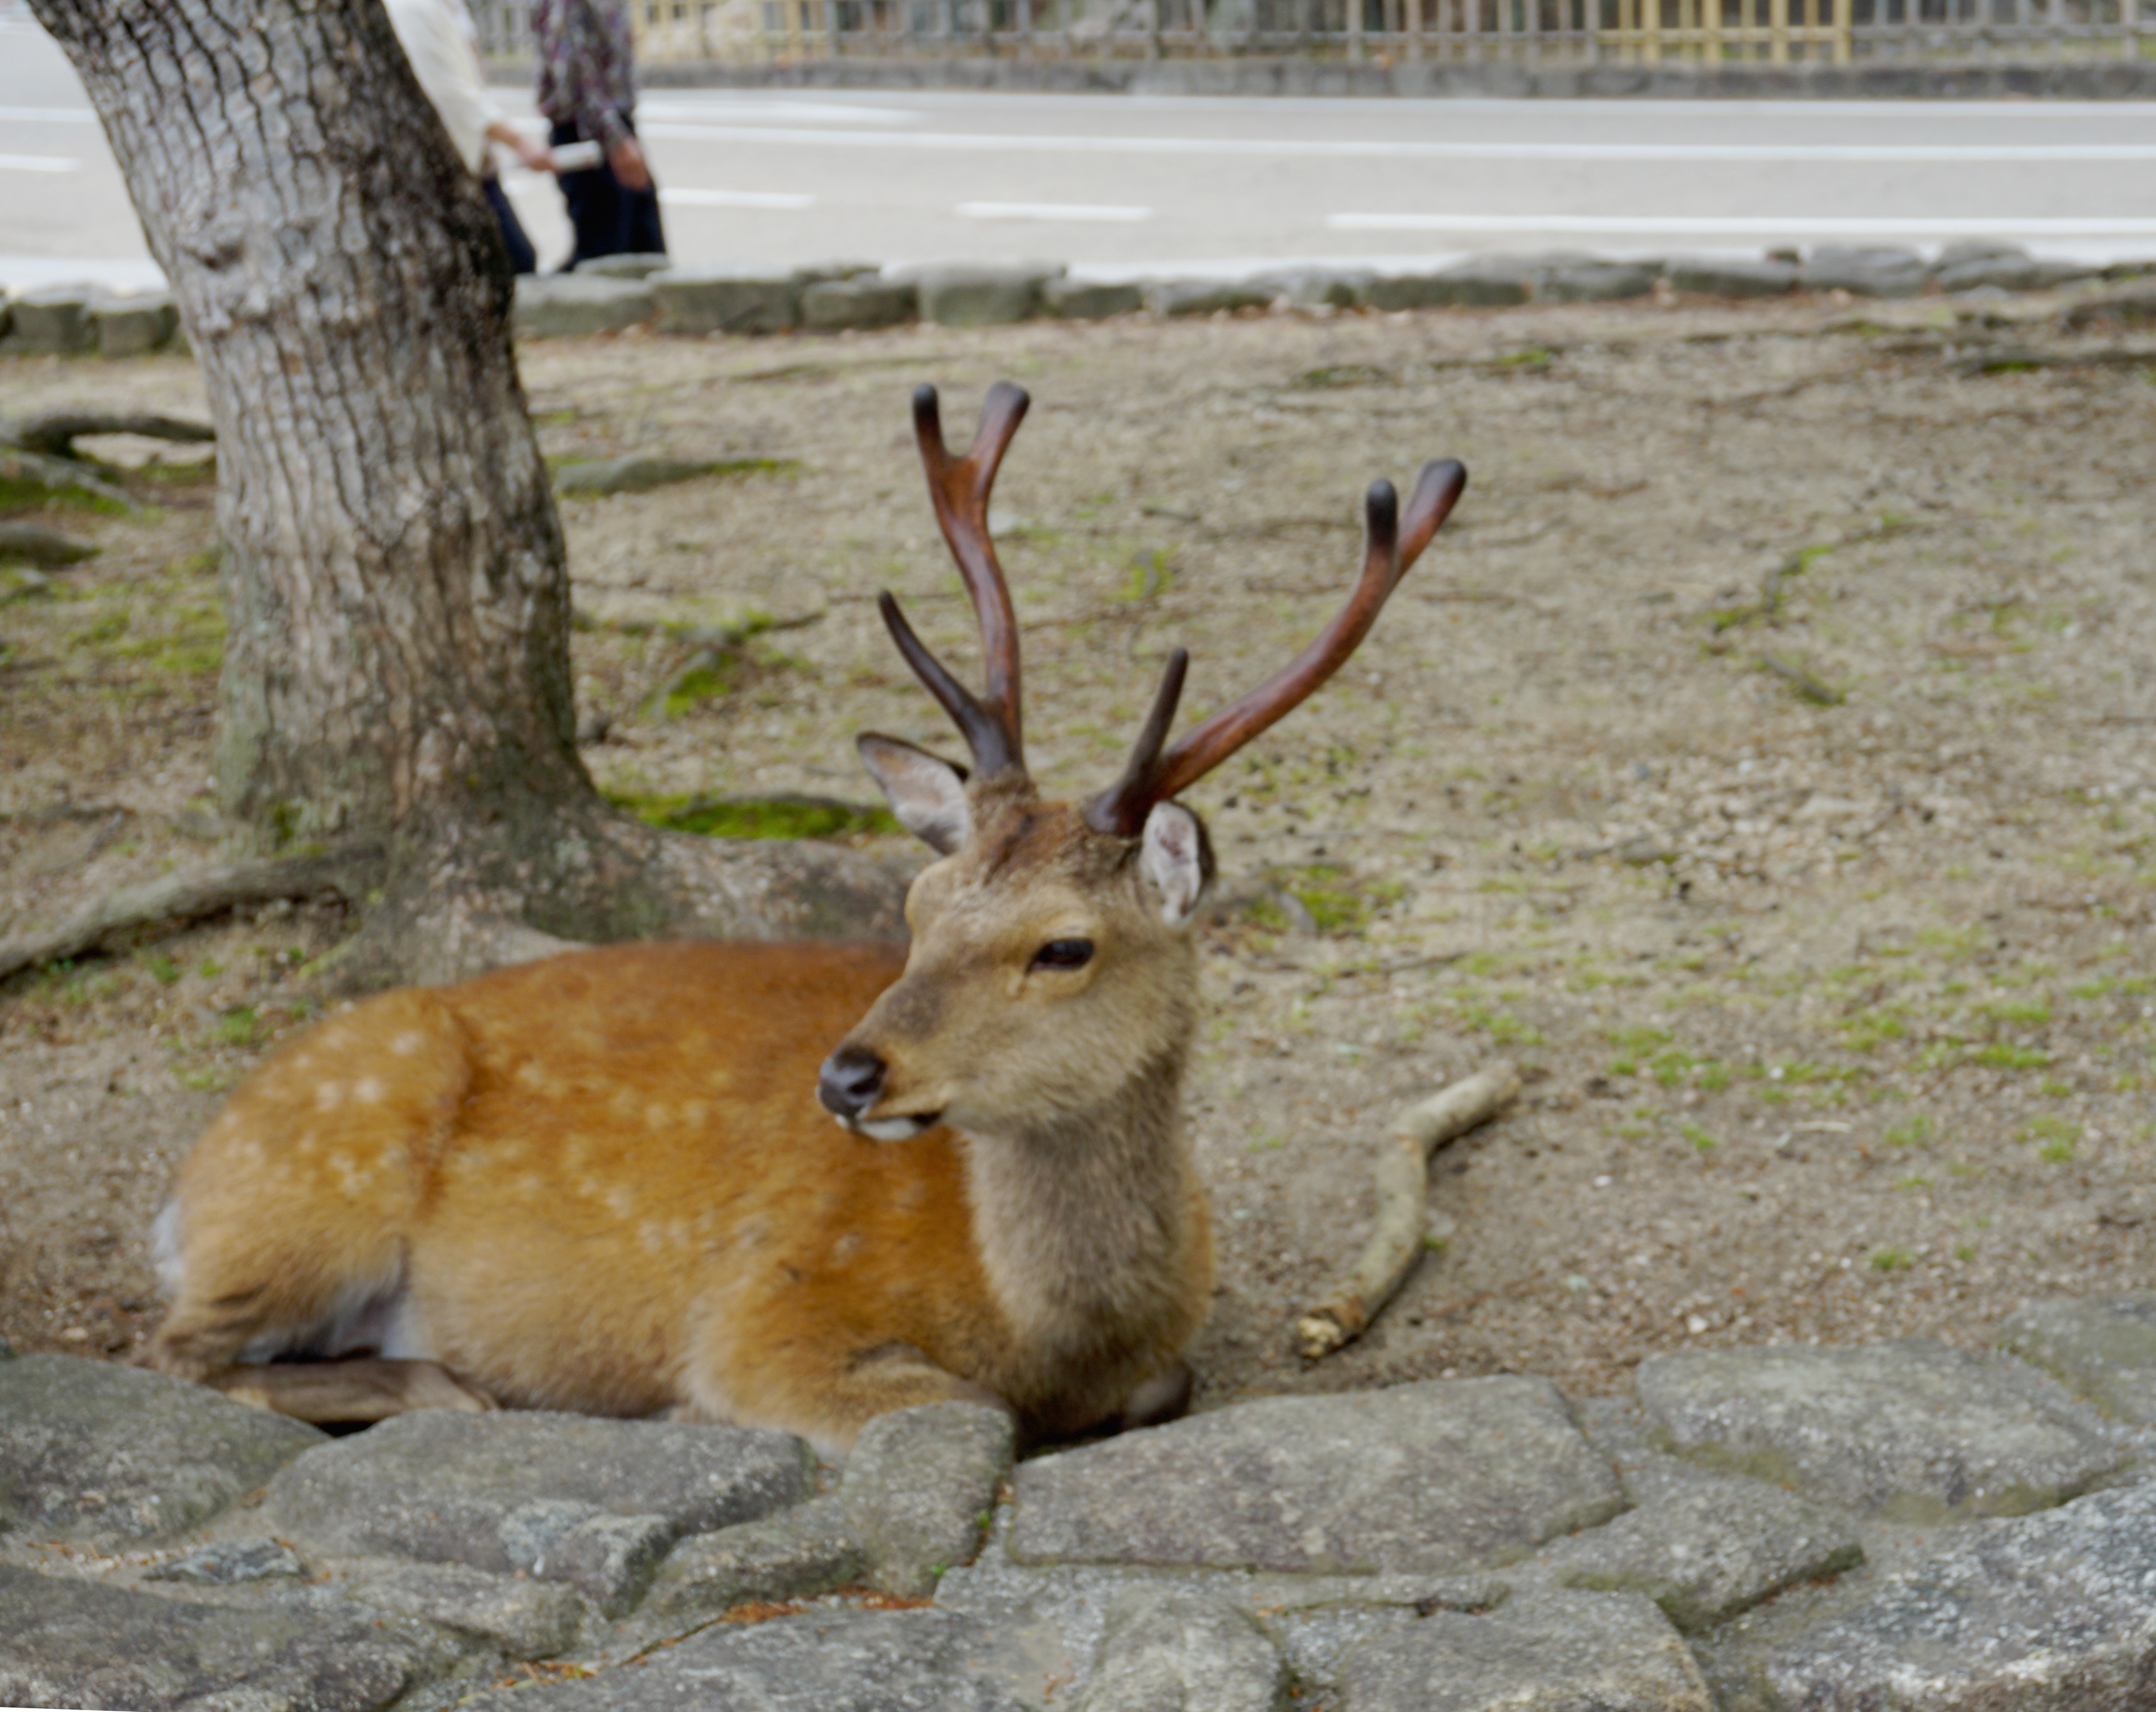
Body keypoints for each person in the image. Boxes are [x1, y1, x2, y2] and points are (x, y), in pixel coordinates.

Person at [385, 0, 554, 274]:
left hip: (472, 160)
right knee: (511, 261)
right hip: (447, 164)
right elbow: (447, 92)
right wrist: (517, 141)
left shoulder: (451, 7)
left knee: (512, 261)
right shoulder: (411, 8)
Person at [531, 0, 666, 269]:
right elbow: (576, 75)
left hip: (610, 127)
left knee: (640, 250)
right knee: (607, 258)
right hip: (592, 132)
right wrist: (615, 140)